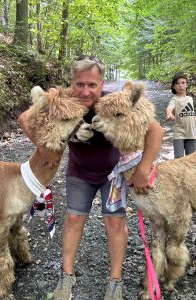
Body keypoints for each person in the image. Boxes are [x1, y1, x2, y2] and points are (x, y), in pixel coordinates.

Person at [18, 56, 163, 300]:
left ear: (102, 84)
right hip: (79, 172)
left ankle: (115, 281)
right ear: (72, 83)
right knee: (74, 219)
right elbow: (25, 119)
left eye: (92, 85)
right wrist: (43, 149)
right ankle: (66, 277)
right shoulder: (61, 102)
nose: (86, 91)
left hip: (113, 175)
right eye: (80, 84)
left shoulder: (114, 102)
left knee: (115, 223)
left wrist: (142, 170)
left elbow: (156, 131)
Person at [166, 73, 196, 158]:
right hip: (179, 134)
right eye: (177, 83)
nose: (180, 85)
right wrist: (169, 113)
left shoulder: (190, 99)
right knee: (179, 159)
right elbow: (170, 108)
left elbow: (191, 115)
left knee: (191, 159)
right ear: (173, 86)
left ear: (187, 85)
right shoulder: (174, 100)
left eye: (183, 83)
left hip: (191, 134)